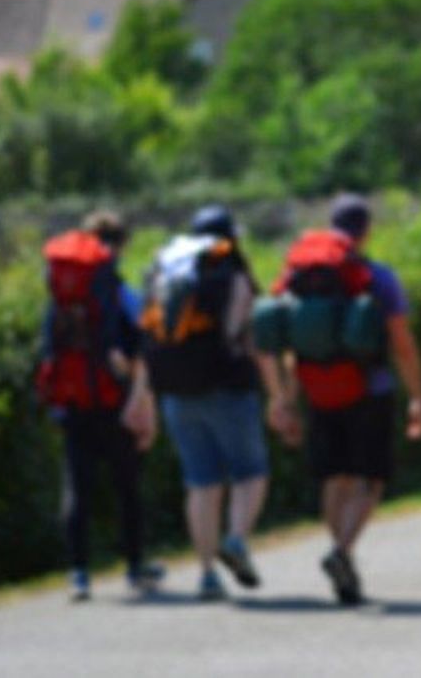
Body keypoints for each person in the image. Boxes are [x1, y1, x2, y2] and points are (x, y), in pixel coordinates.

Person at [261, 193, 421, 605]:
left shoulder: (297, 273)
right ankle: (342, 552)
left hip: (318, 389)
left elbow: (286, 343)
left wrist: (285, 397)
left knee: (334, 477)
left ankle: (343, 565)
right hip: (370, 389)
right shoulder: (376, 276)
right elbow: (402, 344)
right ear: (366, 231)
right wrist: (419, 396)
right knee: (370, 479)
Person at [142, 205, 295, 601]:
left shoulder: (169, 272)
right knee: (250, 473)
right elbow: (254, 343)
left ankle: (207, 574)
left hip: (177, 391)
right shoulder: (235, 277)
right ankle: (237, 540)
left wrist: (144, 396)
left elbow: (149, 341)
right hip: (228, 388)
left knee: (201, 484)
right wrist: (278, 395)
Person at [36, 210, 162, 601]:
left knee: (78, 487)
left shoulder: (62, 291)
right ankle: (135, 565)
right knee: (127, 487)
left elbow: (48, 345)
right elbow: (143, 337)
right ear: (120, 245)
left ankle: (79, 572)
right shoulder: (117, 289)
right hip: (114, 397)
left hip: (74, 398)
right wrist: (141, 397)